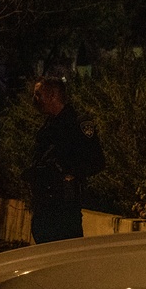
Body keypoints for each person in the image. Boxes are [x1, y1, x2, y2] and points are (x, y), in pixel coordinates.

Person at [22, 76, 105, 244]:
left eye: (38, 94)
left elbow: (97, 162)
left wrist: (67, 173)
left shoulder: (76, 124)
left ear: (53, 95)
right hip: (44, 206)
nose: (35, 99)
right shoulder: (48, 126)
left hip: (64, 208)